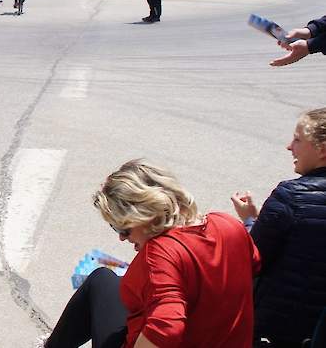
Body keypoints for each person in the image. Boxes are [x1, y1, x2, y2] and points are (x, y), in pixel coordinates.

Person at [42, 159, 261, 348]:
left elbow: (167, 326)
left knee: (100, 279)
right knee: (109, 282)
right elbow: (254, 265)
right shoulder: (228, 224)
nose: (121, 237)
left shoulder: (160, 254)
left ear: (145, 216)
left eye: (122, 228)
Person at [231, 108, 326, 348]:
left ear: (322, 150)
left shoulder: (291, 196)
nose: (289, 147)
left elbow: (251, 259)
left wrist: (249, 221)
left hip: (281, 333)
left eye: (297, 139)